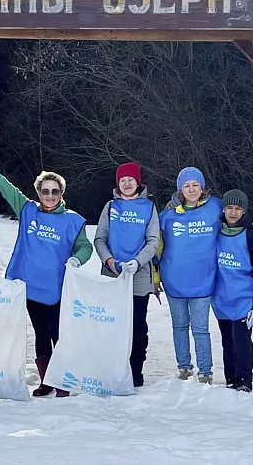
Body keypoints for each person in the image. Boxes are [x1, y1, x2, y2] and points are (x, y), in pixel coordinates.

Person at [0, 147, 93, 398]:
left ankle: (62, 381)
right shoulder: (27, 210)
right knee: (41, 333)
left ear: (62, 193)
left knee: (58, 334)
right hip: (30, 285)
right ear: (38, 193)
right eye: (45, 191)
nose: (50, 195)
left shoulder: (73, 220)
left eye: (55, 191)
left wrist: (77, 259)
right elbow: (7, 188)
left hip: (57, 287)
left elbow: (85, 246)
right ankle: (46, 380)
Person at [93, 161, 160, 388]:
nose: (127, 183)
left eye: (131, 179)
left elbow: (153, 241)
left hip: (138, 276)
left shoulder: (149, 207)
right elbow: (99, 238)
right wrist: (109, 260)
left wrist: (137, 262)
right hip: (112, 275)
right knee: (111, 323)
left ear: (138, 182)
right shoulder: (110, 207)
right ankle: (111, 367)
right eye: (123, 180)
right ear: (118, 183)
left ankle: (135, 370)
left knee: (137, 325)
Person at [158, 167, 221, 384]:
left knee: (201, 329)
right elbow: (154, 243)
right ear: (180, 190)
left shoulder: (216, 207)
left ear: (202, 187)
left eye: (195, 185)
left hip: (203, 280)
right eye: (187, 186)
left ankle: (205, 371)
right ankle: (184, 367)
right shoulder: (167, 215)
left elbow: (238, 220)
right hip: (174, 280)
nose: (192, 189)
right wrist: (154, 275)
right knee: (179, 327)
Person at [212, 189, 253, 393]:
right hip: (221, 298)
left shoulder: (252, 237)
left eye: (238, 208)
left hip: (244, 298)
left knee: (241, 341)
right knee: (227, 341)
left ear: (244, 211)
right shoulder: (216, 233)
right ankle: (231, 378)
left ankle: (245, 379)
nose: (233, 212)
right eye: (229, 207)